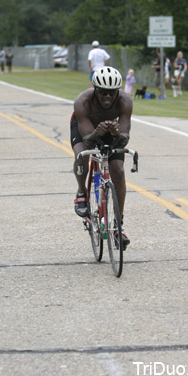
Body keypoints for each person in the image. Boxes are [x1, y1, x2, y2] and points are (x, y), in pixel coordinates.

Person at [70, 66, 132, 248]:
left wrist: (118, 134)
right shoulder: (83, 101)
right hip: (85, 129)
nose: (108, 97)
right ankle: (82, 192)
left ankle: (119, 225)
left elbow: (125, 138)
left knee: (118, 171)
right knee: (82, 155)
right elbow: (88, 141)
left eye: (112, 93)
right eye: (103, 93)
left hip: (110, 129)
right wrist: (96, 132)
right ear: (96, 90)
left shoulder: (125, 102)